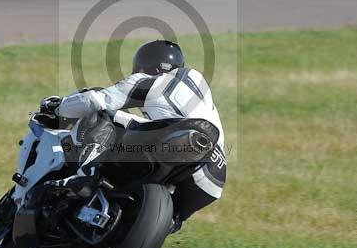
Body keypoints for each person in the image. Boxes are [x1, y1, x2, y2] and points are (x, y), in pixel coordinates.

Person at [41, 40, 226, 233]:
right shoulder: (197, 86)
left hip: (178, 139)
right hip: (214, 174)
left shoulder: (147, 81)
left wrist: (58, 107)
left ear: (144, 65)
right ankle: (162, 221)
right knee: (170, 221)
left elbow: (97, 100)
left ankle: (84, 176)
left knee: (101, 114)